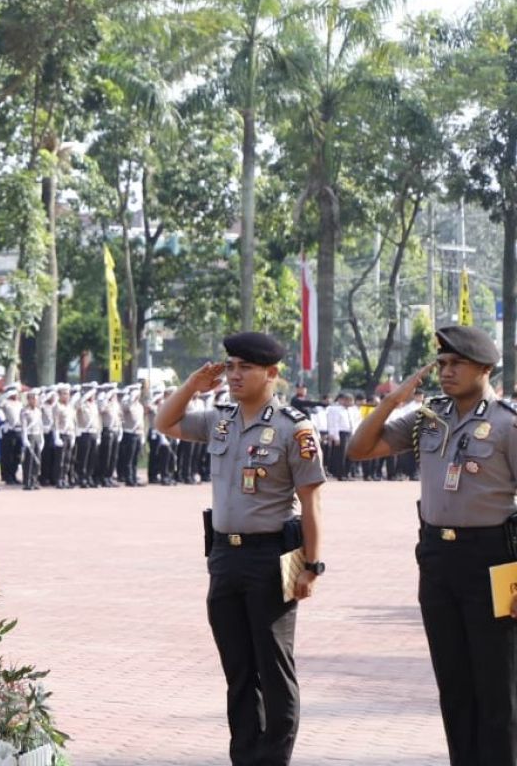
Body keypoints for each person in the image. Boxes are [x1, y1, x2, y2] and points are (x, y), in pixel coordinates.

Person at [347, 326, 517, 766]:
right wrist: (390, 402)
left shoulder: (505, 425)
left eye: (457, 363)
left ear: (485, 368)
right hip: (437, 558)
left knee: (497, 682)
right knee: (454, 681)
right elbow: (358, 449)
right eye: (441, 364)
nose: (446, 371)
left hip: (493, 558)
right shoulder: (427, 419)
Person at [155, 332, 325, 766]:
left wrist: (312, 565)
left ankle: (274, 758)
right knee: (238, 671)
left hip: (276, 557)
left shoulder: (294, 427)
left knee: (274, 667)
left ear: (271, 373)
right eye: (229, 366)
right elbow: (165, 422)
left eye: (244, 367)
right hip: (224, 557)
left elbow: (311, 501)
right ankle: (245, 756)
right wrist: (193, 385)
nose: (233, 375)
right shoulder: (221, 420)